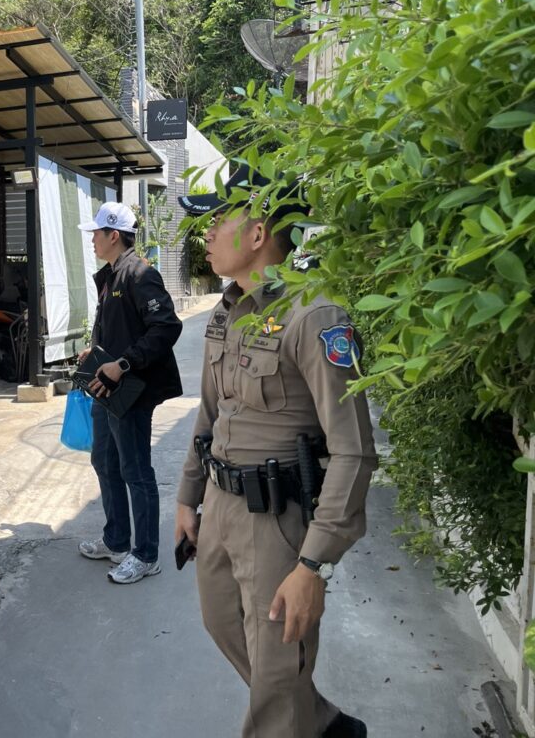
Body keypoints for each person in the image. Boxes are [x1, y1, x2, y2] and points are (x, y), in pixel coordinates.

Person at [175, 166, 376, 737]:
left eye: (220, 220)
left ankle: (297, 723)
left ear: (259, 232)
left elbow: (354, 451)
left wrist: (313, 564)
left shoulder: (314, 316)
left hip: (277, 522)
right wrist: (188, 496)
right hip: (221, 506)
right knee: (224, 626)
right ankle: (325, 725)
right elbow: (210, 413)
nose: (208, 233)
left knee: (277, 673)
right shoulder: (227, 310)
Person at [76, 201, 183, 584]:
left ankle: (146, 555)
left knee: (136, 471)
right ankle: (117, 540)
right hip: (107, 390)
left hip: (131, 391)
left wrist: (122, 364)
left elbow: (166, 327)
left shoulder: (140, 274)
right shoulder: (112, 275)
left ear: (113, 235)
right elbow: (119, 327)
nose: (92, 239)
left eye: (96, 233)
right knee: (105, 462)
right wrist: (96, 350)